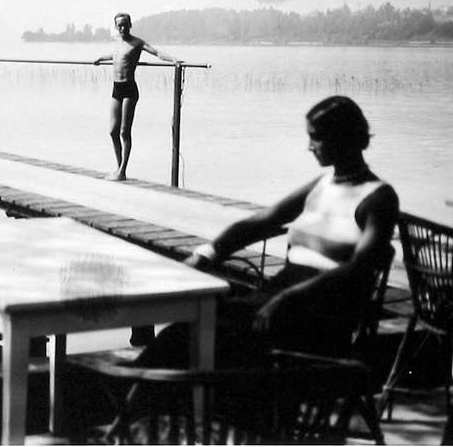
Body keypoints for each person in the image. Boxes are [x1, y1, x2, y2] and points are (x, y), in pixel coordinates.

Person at [135, 95, 399, 367]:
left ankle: (150, 399)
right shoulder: (323, 184)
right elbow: (261, 222)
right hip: (283, 293)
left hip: (321, 311)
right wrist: (205, 254)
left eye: (316, 137)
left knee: (200, 336)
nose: (309, 146)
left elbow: (360, 268)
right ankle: (153, 400)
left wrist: (286, 298)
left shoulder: (378, 198)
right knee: (186, 328)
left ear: (343, 137)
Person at [92, 13, 181, 180]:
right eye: (119, 25)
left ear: (130, 24)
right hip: (116, 89)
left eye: (125, 25)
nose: (123, 28)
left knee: (125, 132)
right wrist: (100, 58)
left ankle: (122, 172)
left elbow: (157, 53)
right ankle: (119, 168)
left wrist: (176, 60)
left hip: (129, 90)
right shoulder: (117, 42)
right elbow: (115, 56)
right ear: (116, 27)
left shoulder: (137, 43)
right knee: (112, 131)